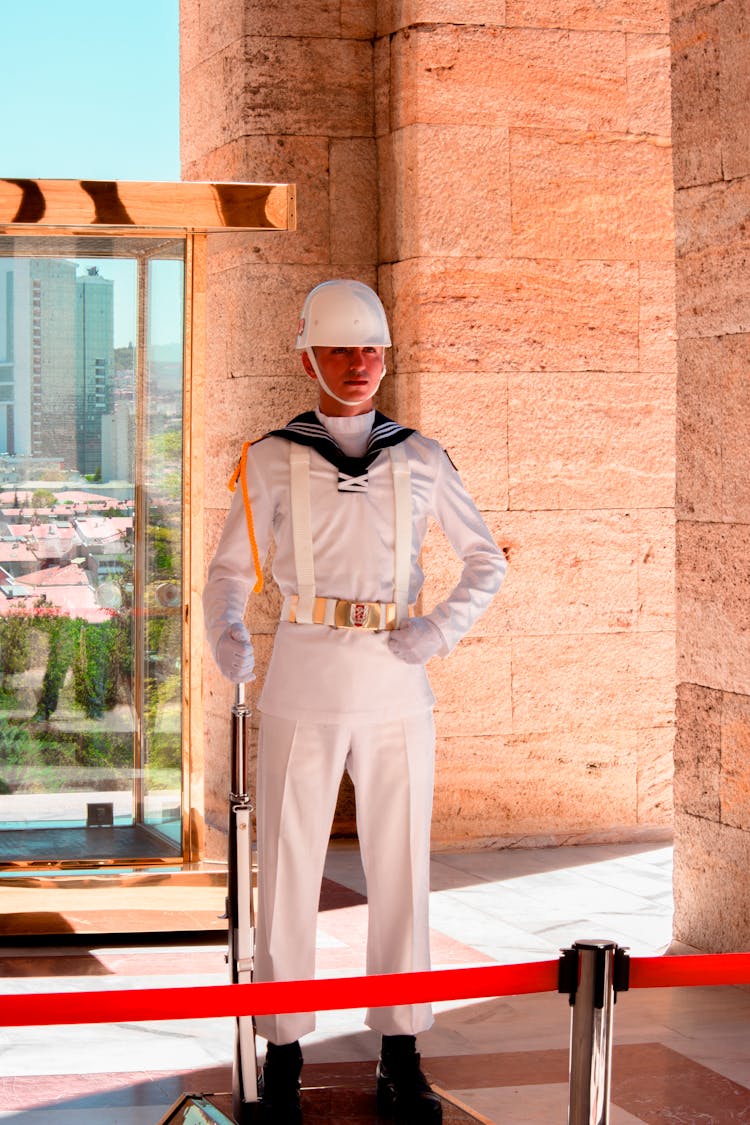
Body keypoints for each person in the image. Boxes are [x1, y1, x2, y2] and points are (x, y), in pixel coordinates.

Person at [203, 279, 506, 1124]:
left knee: (402, 864)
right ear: (308, 358)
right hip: (302, 670)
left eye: (372, 349)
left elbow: (486, 561)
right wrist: (228, 635)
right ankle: (284, 1052)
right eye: (341, 349)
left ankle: (402, 1052)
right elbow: (228, 572)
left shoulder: (422, 456)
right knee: (289, 866)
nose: (360, 363)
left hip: (393, 673)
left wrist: (438, 630)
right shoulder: (267, 457)